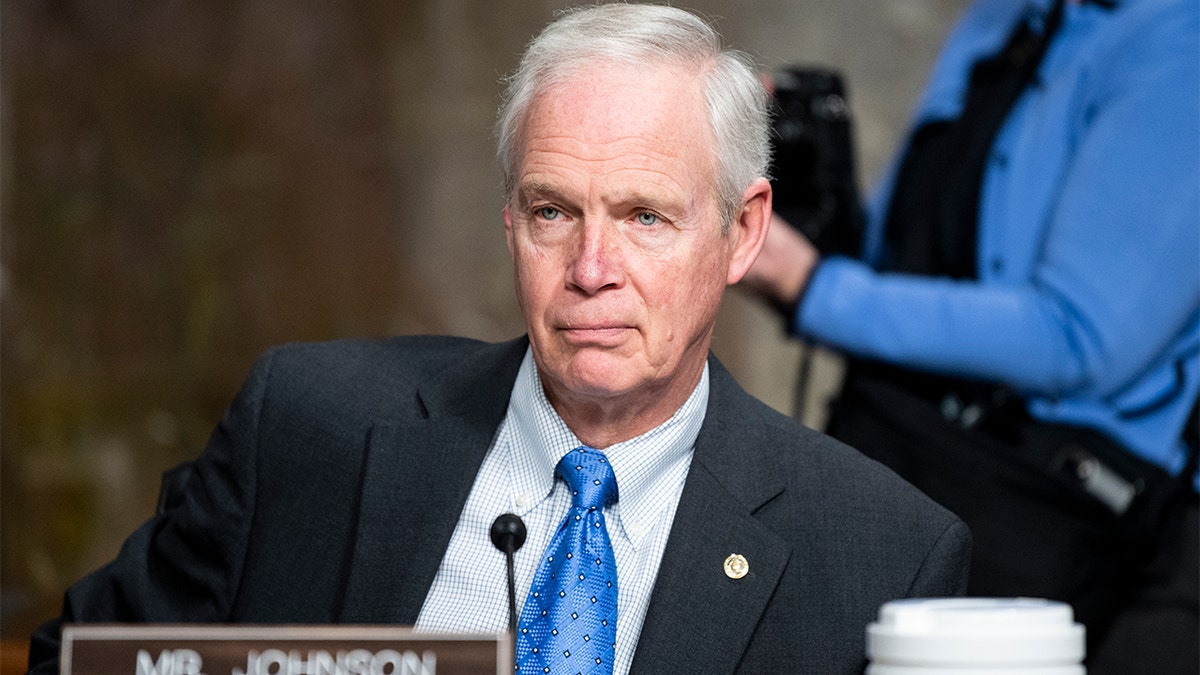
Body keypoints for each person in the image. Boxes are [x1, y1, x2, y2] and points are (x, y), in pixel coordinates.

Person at [28, 5, 971, 674]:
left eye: (645, 217)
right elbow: (79, 661)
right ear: (510, 222)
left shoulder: (879, 555)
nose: (591, 266)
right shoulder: (306, 428)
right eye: (553, 210)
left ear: (743, 232)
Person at [741, 0, 1198, 671]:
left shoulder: (1179, 41)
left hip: (1025, 519)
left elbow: (1078, 339)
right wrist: (816, 221)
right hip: (883, 459)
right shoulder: (1002, 17)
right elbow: (914, 275)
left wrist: (813, 287)